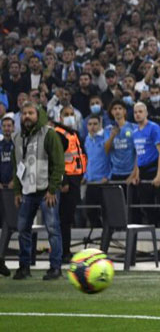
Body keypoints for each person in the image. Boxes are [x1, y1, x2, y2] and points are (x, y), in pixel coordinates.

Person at [11, 102, 65, 280]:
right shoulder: (17, 137)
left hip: (46, 190)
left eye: (30, 113)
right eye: (24, 113)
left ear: (38, 115)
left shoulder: (49, 134)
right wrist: (17, 191)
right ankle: (24, 267)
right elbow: (16, 166)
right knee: (23, 229)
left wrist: (53, 189)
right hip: (27, 190)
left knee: (53, 229)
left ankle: (55, 268)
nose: (27, 116)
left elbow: (59, 164)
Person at [54, 104, 88, 263]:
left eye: (71, 114)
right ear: (60, 118)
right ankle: (63, 252)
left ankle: (65, 251)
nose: (69, 117)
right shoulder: (58, 134)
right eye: (66, 114)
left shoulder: (74, 133)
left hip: (76, 179)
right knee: (64, 219)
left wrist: (82, 174)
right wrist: (63, 180)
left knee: (68, 218)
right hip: (66, 181)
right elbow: (56, 159)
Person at [130, 102, 160, 225]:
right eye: (135, 112)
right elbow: (139, 153)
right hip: (142, 171)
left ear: (146, 113)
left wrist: (159, 175)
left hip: (154, 169)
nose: (137, 114)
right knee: (146, 205)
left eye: (140, 112)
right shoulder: (134, 131)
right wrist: (137, 174)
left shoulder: (154, 128)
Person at [83, 114, 111, 228]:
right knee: (90, 211)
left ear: (100, 124)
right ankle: (98, 231)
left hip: (103, 182)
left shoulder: (106, 137)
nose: (92, 127)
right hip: (91, 182)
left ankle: (107, 233)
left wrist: (109, 176)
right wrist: (85, 175)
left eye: (95, 124)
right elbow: (88, 160)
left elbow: (112, 159)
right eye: (90, 124)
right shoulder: (87, 139)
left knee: (106, 212)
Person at [0, 113, 15, 276]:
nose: (6, 128)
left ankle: (1, 257)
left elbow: (23, 165)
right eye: (4, 126)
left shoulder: (17, 145)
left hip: (12, 190)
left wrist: (15, 181)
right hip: (0, 189)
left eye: (9, 126)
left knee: (8, 223)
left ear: (14, 127)